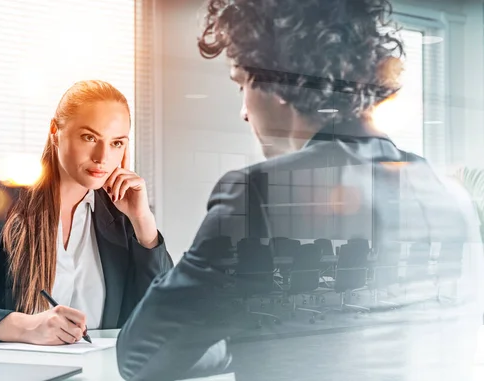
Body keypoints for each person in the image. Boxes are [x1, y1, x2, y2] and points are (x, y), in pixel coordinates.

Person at [116, 1, 483, 380]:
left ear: (275, 80)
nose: (244, 111)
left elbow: (142, 356)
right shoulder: (454, 199)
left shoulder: (261, 194)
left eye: (242, 84)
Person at [0, 80, 173, 345]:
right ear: (55, 131)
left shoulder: (122, 217)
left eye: (116, 143)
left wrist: (143, 222)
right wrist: (24, 326)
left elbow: (168, 314)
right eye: (89, 137)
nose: (102, 157)